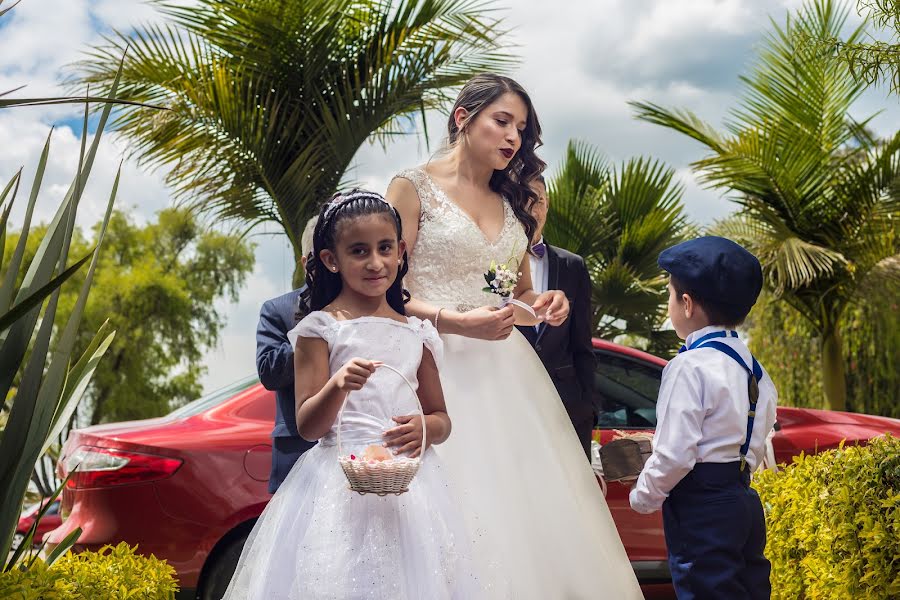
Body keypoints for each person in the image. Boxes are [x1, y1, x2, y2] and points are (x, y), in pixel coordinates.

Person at [386, 73, 642, 598]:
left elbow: (518, 301)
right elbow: (388, 291)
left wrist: (546, 305)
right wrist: (455, 321)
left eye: (521, 130)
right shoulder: (411, 187)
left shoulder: (513, 205)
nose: (513, 138)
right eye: (502, 121)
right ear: (463, 118)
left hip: (508, 377)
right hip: (431, 369)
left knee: (524, 512)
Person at [224, 190, 477, 599]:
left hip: (412, 488)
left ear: (401, 251)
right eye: (359, 251)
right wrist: (337, 385)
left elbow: (441, 417)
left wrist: (426, 427)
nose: (375, 263)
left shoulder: (418, 332)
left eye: (384, 249)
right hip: (337, 484)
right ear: (330, 259)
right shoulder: (319, 329)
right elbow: (308, 426)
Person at [629, 236, 778, 599]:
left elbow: (676, 453)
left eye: (669, 296)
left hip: (700, 508)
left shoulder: (688, 366)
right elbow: (755, 446)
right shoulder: (756, 371)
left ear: (687, 303)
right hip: (743, 501)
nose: (669, 307)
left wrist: (643, 496)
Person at [516, 175, 597, 458]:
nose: (531, 209)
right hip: (510, 400)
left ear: (547, 205)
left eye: (537, 200)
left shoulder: (573, 266)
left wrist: (587, 408)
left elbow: (583, 345)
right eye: (523, 199)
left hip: (565, 406)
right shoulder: (492, 264)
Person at [256, 216, 318, 493]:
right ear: (306, 263)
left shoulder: (367, 306)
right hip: (298, 455)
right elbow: (269, 372)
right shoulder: (277, 310)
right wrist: (314, 331)